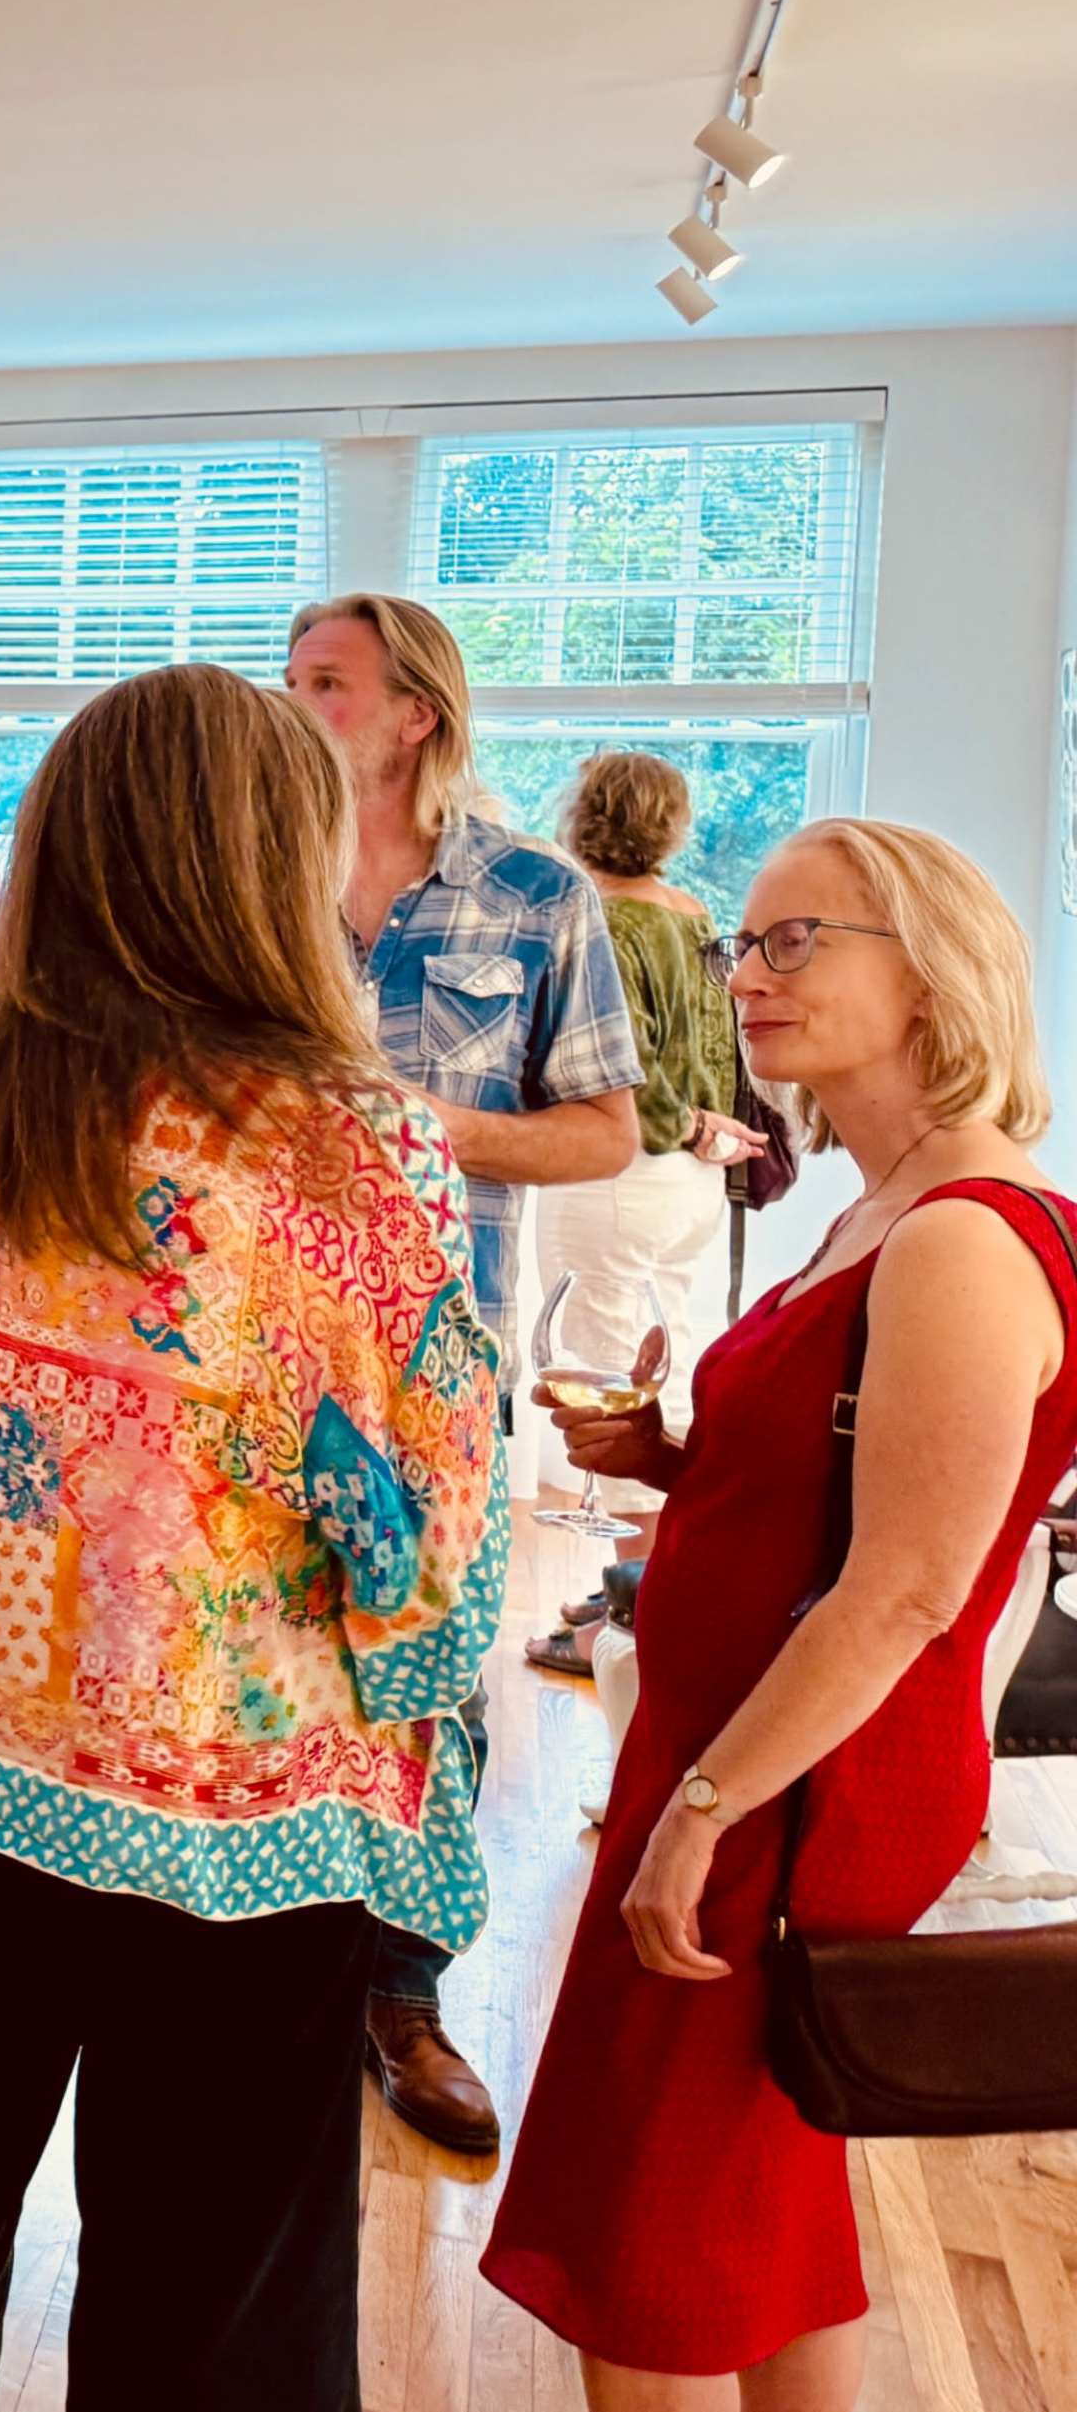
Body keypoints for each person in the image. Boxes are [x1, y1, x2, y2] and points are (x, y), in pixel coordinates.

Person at [0, 665, 504, 2410]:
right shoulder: (348, 1151)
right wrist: (413, 1668)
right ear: (278, 860)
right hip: (235, 1815)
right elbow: (423, 1524)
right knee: (212, 2290)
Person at [485, 820, 1076, 2411]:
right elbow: (841, 1491)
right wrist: (680, 1460)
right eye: (747, 944)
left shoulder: (962, 1234)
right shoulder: (893, 1203)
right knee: (762, 2196)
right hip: (752, 1750)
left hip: (795, 1777)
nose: (747, 976)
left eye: (795, 940)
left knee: (650, 2225)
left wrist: (699, 1807)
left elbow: (906, 1586)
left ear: (933, 971)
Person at [286, 590, 643, 2154]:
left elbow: (604, 1130)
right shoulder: (244, 878)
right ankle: (266, 1951)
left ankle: (401, 1985)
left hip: (434, 1360)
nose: (295, 703)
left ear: (414, 711)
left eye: (326, 682)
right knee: (261, 1655)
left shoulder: (537, 895)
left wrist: (407, 1127)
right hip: (239, 1356)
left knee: (429, 1674)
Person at [523, 752, 768, 1679]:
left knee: (605, 1379)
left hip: (623, 1168)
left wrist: (681, 1123)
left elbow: (622, 1071)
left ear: (585, 814)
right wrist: (711, 1130)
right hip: (691, 1181)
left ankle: (624, 1609)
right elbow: (713, 1050)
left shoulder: (601, 918)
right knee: (667, 1365)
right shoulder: (695, 916)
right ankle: (643, 1584)